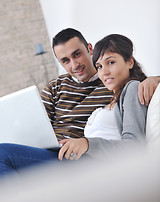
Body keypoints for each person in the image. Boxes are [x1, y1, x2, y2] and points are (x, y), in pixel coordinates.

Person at [0, 28, 159, 175]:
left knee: (2, 154)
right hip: (59, 152)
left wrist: (155, 80)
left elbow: (136, 84)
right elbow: (35, 126)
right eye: (65, 60)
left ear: (89, 49)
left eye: (77, 54)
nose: (74, 65)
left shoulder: (113, 84)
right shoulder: (56, 86)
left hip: (81, 159)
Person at [58, 33, 148, 160]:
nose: (104, 72)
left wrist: (87, 144)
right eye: (99, 66)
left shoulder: (133, 88)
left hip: (96, 167)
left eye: (111, 62)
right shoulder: (113, 99)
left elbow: (134, 147)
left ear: (130, 62)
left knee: (18, 155)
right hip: (80, 162)